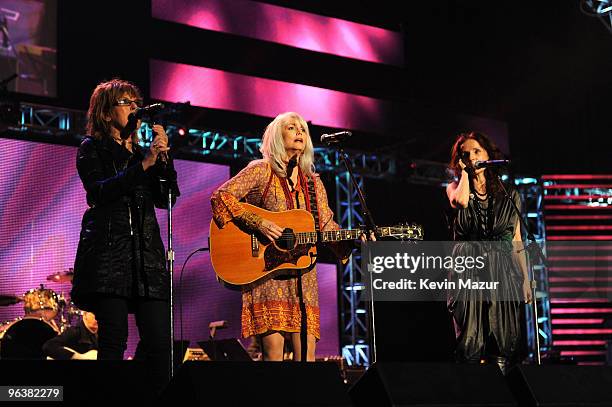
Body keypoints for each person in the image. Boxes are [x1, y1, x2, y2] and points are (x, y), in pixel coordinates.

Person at [211, 112, 367, 361]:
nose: (299, 133)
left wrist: (356, 238)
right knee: (273, 359)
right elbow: (221, 197)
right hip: (267, 273)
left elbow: (326, 226)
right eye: (292, 128)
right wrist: (259, 223)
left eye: (303, 129)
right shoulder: (260, 171)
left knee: (306, 360)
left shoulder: (313, 183)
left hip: (304, 278)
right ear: (276, 136)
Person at [70, 79, 179, 391]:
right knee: (114, 340)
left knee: (160, 343)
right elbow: (99, 191)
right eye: (126, 103)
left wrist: (162, 157)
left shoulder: (144, 155)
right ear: (106, 113)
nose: (134, 108)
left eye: (136, 102)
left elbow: (167, 198)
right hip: (109, 258)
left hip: (147, 260)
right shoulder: (92, 149)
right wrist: (143, 165)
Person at [445, 131, 532, 374]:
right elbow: (461, 202)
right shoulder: (454, 187)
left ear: (488, 155)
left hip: (502, 268)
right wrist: (465, 173)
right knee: (470, 340)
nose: (472, 157)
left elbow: (516, 239)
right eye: (466, 154)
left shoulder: (508, 194)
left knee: (502, 341)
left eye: (477, 152)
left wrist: (525, 279)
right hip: (468, 268)